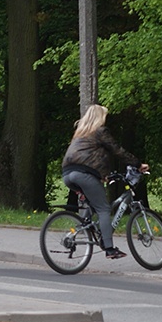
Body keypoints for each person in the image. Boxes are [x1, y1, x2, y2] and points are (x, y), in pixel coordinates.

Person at [62, 104, 148, 259]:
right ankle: (109, 249)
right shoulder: (100, 131)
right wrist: (137, 164)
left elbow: (92, 157)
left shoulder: (79, 135)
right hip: (84, 174)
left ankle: (88, 228)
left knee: (93, 204)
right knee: (104, 209)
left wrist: (104, 175)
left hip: (68, 174)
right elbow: (116, 150)